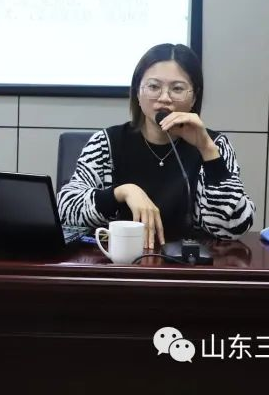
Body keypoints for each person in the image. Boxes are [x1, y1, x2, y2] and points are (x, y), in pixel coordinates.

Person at [57, 43, 255, 250]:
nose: (164, 98)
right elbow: (65, 209)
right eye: (153, 87)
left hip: (191, 265)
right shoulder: (106, 143)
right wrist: (122, 193)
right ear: (137, 92)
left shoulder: (214, 146)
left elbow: (232, 228)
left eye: (177, 89)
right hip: (119, 262)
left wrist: (207, 150)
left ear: (194, 97)